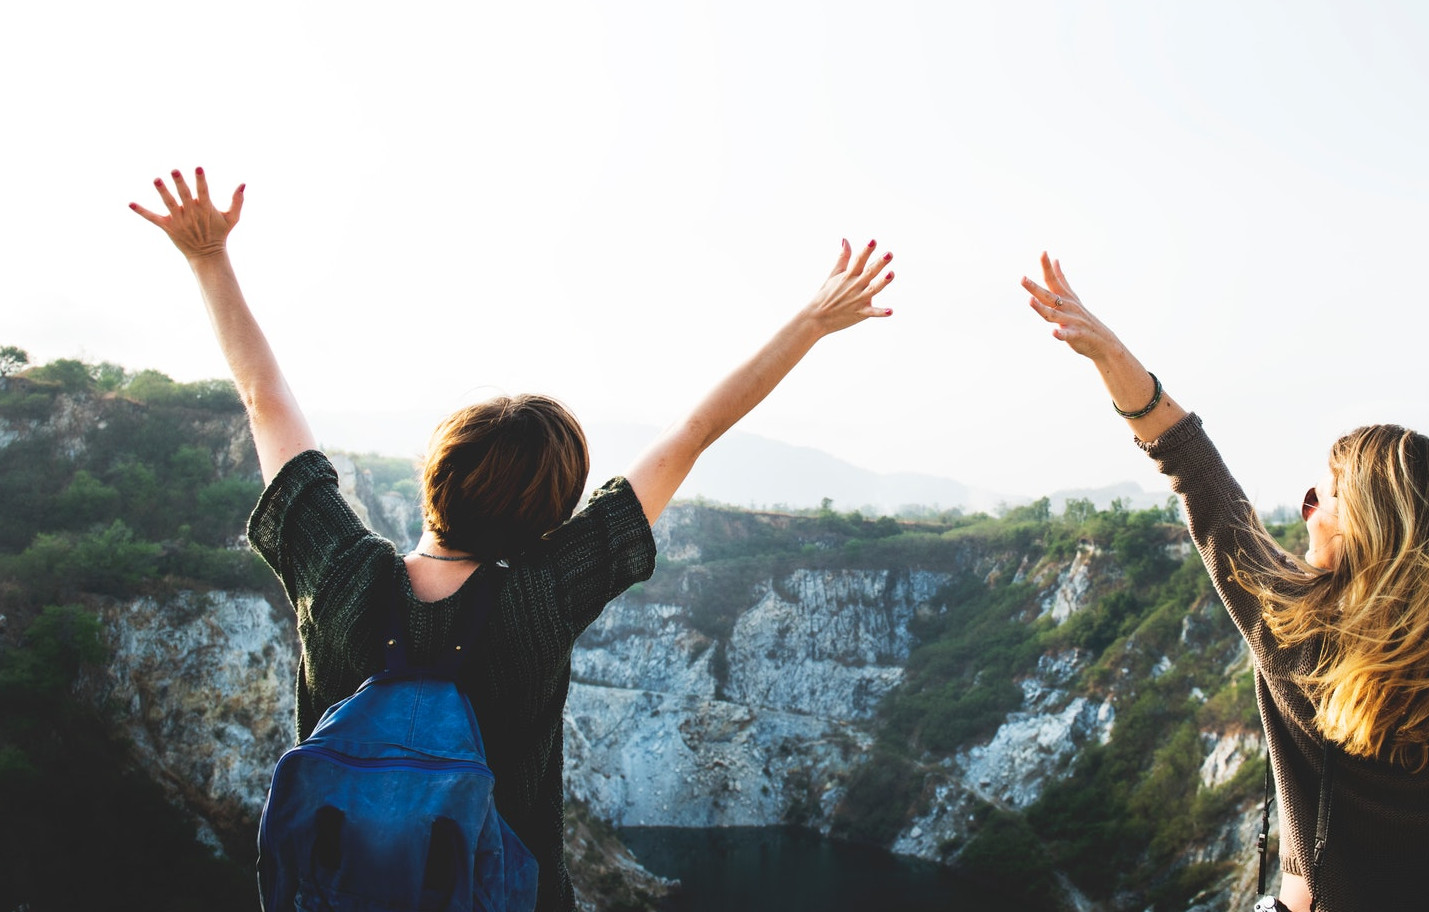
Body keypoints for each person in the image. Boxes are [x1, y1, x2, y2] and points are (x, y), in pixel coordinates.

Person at [130, 167, 896, 911]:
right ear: (553, 515)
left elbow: (265, 401)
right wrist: (811, 323)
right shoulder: (545, 592)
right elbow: (693, 434)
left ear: (436, 471)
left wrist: (208, 258)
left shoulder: (340, 574)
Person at [1018, 192, 1429, 912]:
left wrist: (1112, 357)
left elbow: (1194, 470)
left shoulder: (1294, 631)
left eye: (1320, 497)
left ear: (1363, 530)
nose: (1305, 508)